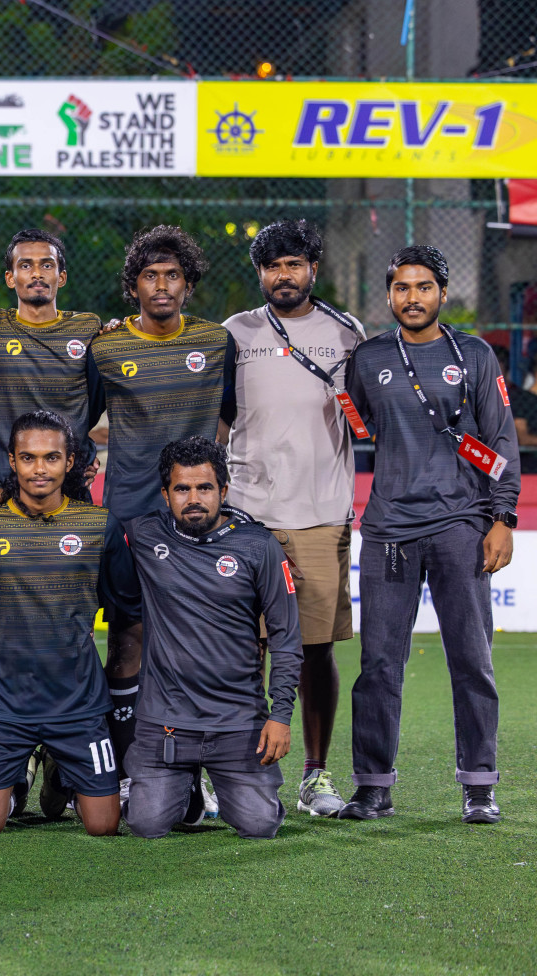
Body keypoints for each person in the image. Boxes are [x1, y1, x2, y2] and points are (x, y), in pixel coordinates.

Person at [342, 245, 517, 824]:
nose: (411, 297)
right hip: (389, 528)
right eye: (401, 288)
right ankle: (372, 787)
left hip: (460, 527)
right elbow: (356, 426)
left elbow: (500, 442)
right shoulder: (367, 359)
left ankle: (479, 786)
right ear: (388, 294)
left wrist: (502, 518)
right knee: (379, 666)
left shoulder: (474, 355)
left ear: (441, 292)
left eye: (422, 287)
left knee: (472, 659)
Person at [223, 219, 365, 818]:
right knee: (239, 652)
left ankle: (315, 774)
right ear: (260, 273)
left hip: (319, 515)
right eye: (272, 266)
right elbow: (218, 416)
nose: (283, 275)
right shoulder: (234, 332)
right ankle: (230, 770)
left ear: (313, 267)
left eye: (294, 264)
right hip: (246, 514)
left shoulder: (348, 334)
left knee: (312, 651)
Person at [88, 225, 237, 788]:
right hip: (130, 514)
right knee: (128, 635)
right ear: (133, 286)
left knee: (197, 641)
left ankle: (193, 771)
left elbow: (230, 415)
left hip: (199, 523)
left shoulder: (217, 343)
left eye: (173, 275)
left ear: (189, 283)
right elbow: (77, 418)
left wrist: (213, 482)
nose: (162, 285)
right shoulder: (107, 347)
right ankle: (127, 770)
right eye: (150, 276)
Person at [0, 411, 138, 836]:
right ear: (12, 461)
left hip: (79, 707)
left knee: (103, 827)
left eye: (51, 458)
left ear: (70, 462)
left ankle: (61, 771)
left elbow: (127, 614)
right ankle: (39, 762)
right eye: (29, 458)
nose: (40, 469)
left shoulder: (99, 526)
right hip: (7, 709)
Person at [124, 437, 300, 840]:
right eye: (182, 489)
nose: (193, 499)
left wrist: (281, 715)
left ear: (223, 490)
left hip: (238, 720)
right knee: (145, 824)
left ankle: (245, 788)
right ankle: (185, 785)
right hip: (165, 720)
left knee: (260, 825)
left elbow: (286, 637)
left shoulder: (259, 545)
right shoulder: (145, 534)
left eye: (204, 488)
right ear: (165, 493)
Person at [0, 228, 104, 486]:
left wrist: (80, 442)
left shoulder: (88, 327)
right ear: (10, 278)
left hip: (69, 479)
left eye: (47, 264)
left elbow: (95, 400)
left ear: (62, 276)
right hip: (5, 482)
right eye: (25, 265)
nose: (37, 273)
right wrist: (1, 441)